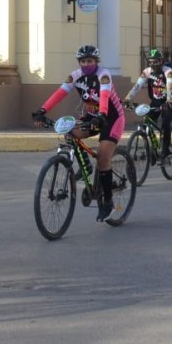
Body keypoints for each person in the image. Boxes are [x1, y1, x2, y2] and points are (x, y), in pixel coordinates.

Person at [33, 45, 126, 223]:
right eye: (82, 61)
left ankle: (107, 203)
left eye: (89, 61)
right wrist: (42, 110)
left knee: (103, 159)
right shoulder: (75, 76)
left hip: (111, 118)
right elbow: (59, 93)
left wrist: (102, 114)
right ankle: (86, 167)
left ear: (96, 61)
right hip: (92, 116)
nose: (86, 64)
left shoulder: (103, 75)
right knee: (69, 132)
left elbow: (104, 96)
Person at [123, 49, 172, 158]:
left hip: (169, 101)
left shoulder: (168, 71)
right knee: (147, 123)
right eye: (150, 62)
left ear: (161, 61)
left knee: (165, 124)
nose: (153, 64)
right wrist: (127, 99)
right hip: (156, 101)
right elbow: (137, 86)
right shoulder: (147, 72)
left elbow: (169, 86)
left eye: (156, 62)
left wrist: (168, 100)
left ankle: (166, 150)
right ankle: (153, 148)